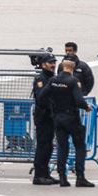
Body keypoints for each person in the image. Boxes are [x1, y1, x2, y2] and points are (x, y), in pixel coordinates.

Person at [48, 58, 94, 187]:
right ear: (73, 69)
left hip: (58, 117)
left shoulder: (53, 80)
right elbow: (79, 100)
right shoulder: (73, 81)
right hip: (71, 117)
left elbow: (43, 95)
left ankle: (62, 177)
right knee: (80, 146)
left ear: (62, 67)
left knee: (62, 147)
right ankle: (80, 177)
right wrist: (86, 107)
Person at [31, 53, 59, 185]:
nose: (53, 65)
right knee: (42, 146)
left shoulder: (52, 78)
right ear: (43, 65)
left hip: (51, 116)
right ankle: (38, 175)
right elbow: (41, 98)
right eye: (50, 63)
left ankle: (46, 173)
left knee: (49, 146)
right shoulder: (41, 79)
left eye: (54, 62)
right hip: (43, 116)